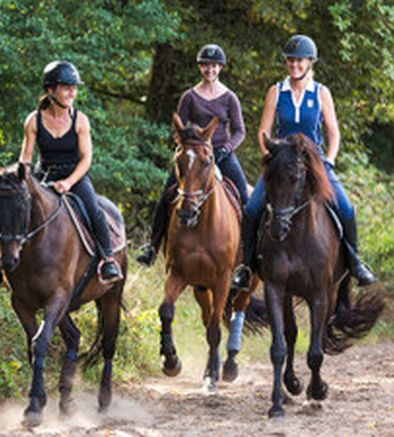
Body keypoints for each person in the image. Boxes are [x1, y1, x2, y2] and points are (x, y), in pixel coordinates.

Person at [231, 34, 376, 290]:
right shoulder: (276, 91)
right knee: (252, 208)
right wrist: (270, 156)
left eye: (299, 61)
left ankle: (355, 262)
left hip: (315, 163)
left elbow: (334, 133)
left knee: (346, 208)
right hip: (282, 162)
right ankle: (247, 266)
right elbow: (262, 131)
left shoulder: (321, 93)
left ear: (310, 62)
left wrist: (329, 160)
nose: (294, 65)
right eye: (290, 61)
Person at [0, 60, 123, 285]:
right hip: (43, 174)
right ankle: (4, 262)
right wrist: (20, 180)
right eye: (67, 87)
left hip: (74, 176)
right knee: (16, 207)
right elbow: (26, 159)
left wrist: (68, 183)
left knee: (94, 210)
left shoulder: (80, 120)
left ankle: (107, 259)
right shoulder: (34, 120)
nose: (72, 92)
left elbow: (86, 159)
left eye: (74, 87)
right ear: (50, 90)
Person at [137, 43, 248, 266]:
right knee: (167, 194)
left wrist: (227, 148)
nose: (210, 70)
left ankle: (247, 256)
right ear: (200, 67)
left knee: (245, 198)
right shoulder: (189, 96)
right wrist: (184, 144)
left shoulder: (229, 98)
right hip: (194, 155)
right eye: (206, 65)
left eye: (215, 66)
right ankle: (152, 246)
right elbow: (178, 128)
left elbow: (240, 131)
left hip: (221, 153)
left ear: (221, 68)